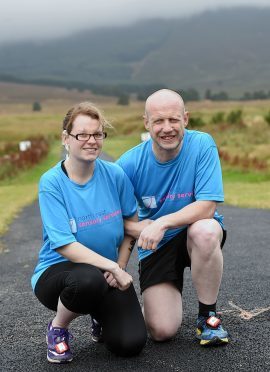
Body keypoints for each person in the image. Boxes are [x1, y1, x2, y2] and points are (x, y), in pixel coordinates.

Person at [31, 102, 147, 364]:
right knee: (87, 281)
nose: (91, 141)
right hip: (59, 273)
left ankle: (100, 315)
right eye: (82, 134)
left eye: (97, 134)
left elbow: (131, 222)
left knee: (130, 343)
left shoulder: (115, 174)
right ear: (66, 138)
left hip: (107, 272)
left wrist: (118, 266)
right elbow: (63, 245)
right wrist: (113, 268)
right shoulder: (52, 182)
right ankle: (58, 328)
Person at [116, 89, 229, 346]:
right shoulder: (129, 164)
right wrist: (136, 229)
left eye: (174, 120)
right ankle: (122, 313)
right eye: (158, 121)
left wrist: (162, 222)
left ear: (185, 119)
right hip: (158, 245)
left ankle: (208, 317)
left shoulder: (202, 144)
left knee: (207, 229)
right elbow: (114, 218)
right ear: (146, 123)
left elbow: (207, 206)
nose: (167, 128)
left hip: (193, 233)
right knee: (162, 331)